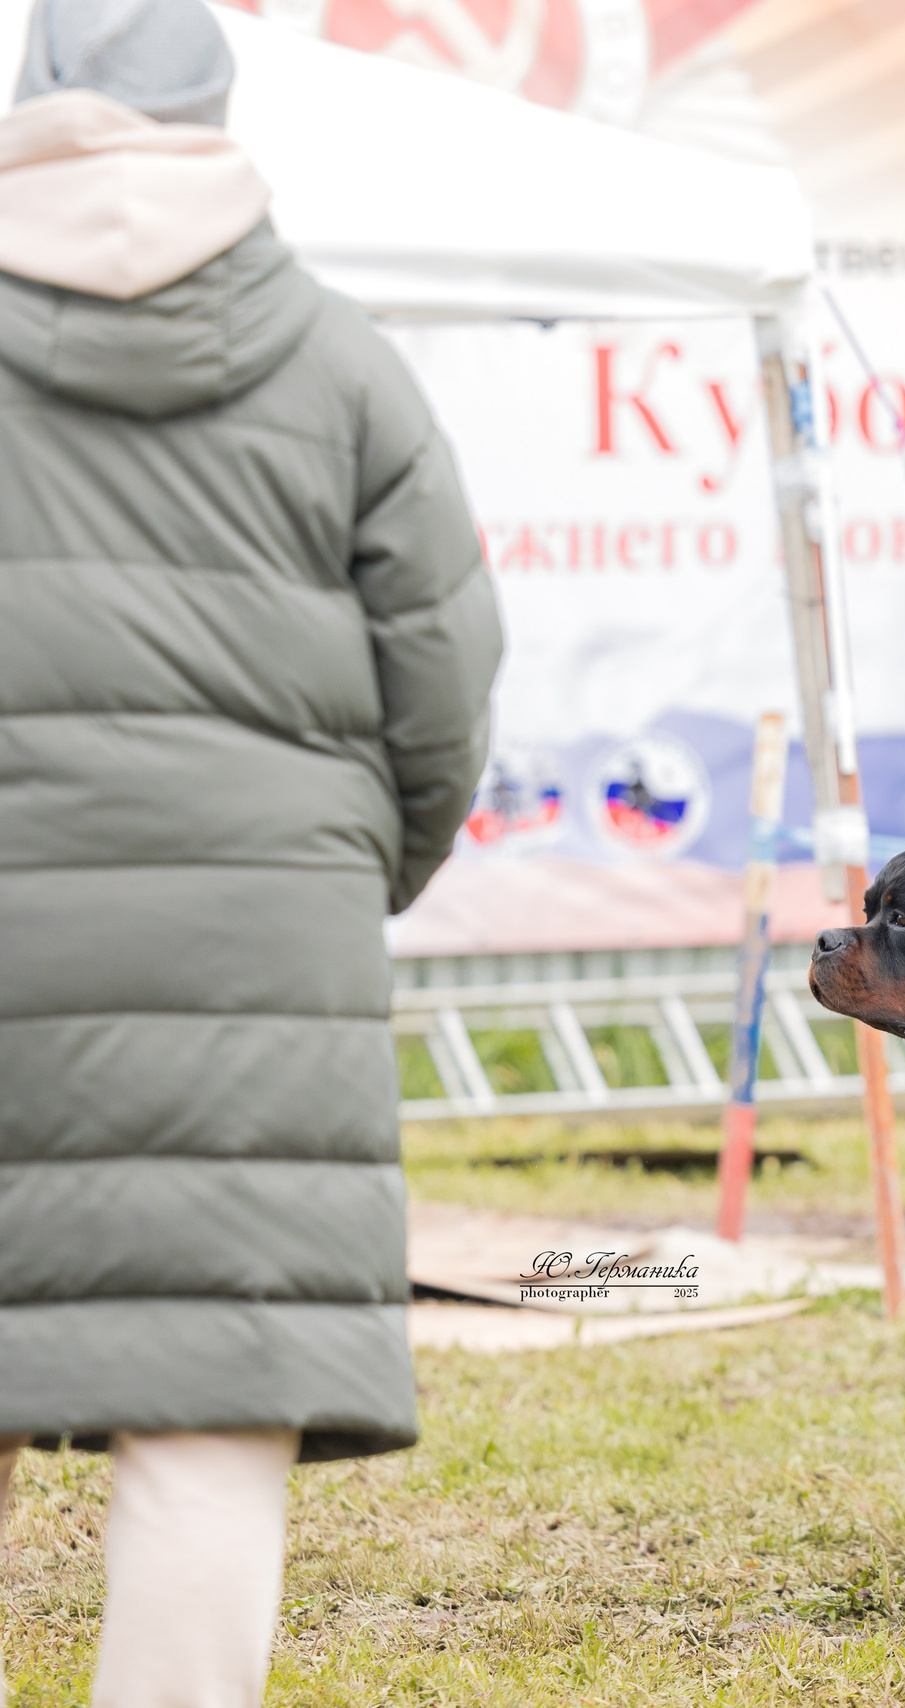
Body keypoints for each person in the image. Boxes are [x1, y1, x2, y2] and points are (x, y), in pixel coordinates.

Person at [0, 2, 502, 1702]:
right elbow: (444, 684)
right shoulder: (342, 359)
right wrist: (346, 880)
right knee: (209, 1416)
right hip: (258, 945)